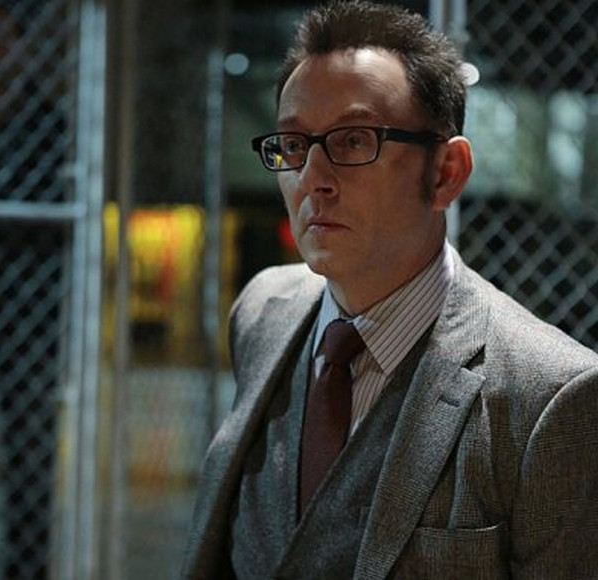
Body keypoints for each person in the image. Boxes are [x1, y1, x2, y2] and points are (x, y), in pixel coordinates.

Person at [181, 1, 598, 578]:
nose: (312, 179)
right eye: (293, 145)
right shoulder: (263, 311)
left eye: (354, 141)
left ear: (446, 173)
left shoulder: (550, 396)